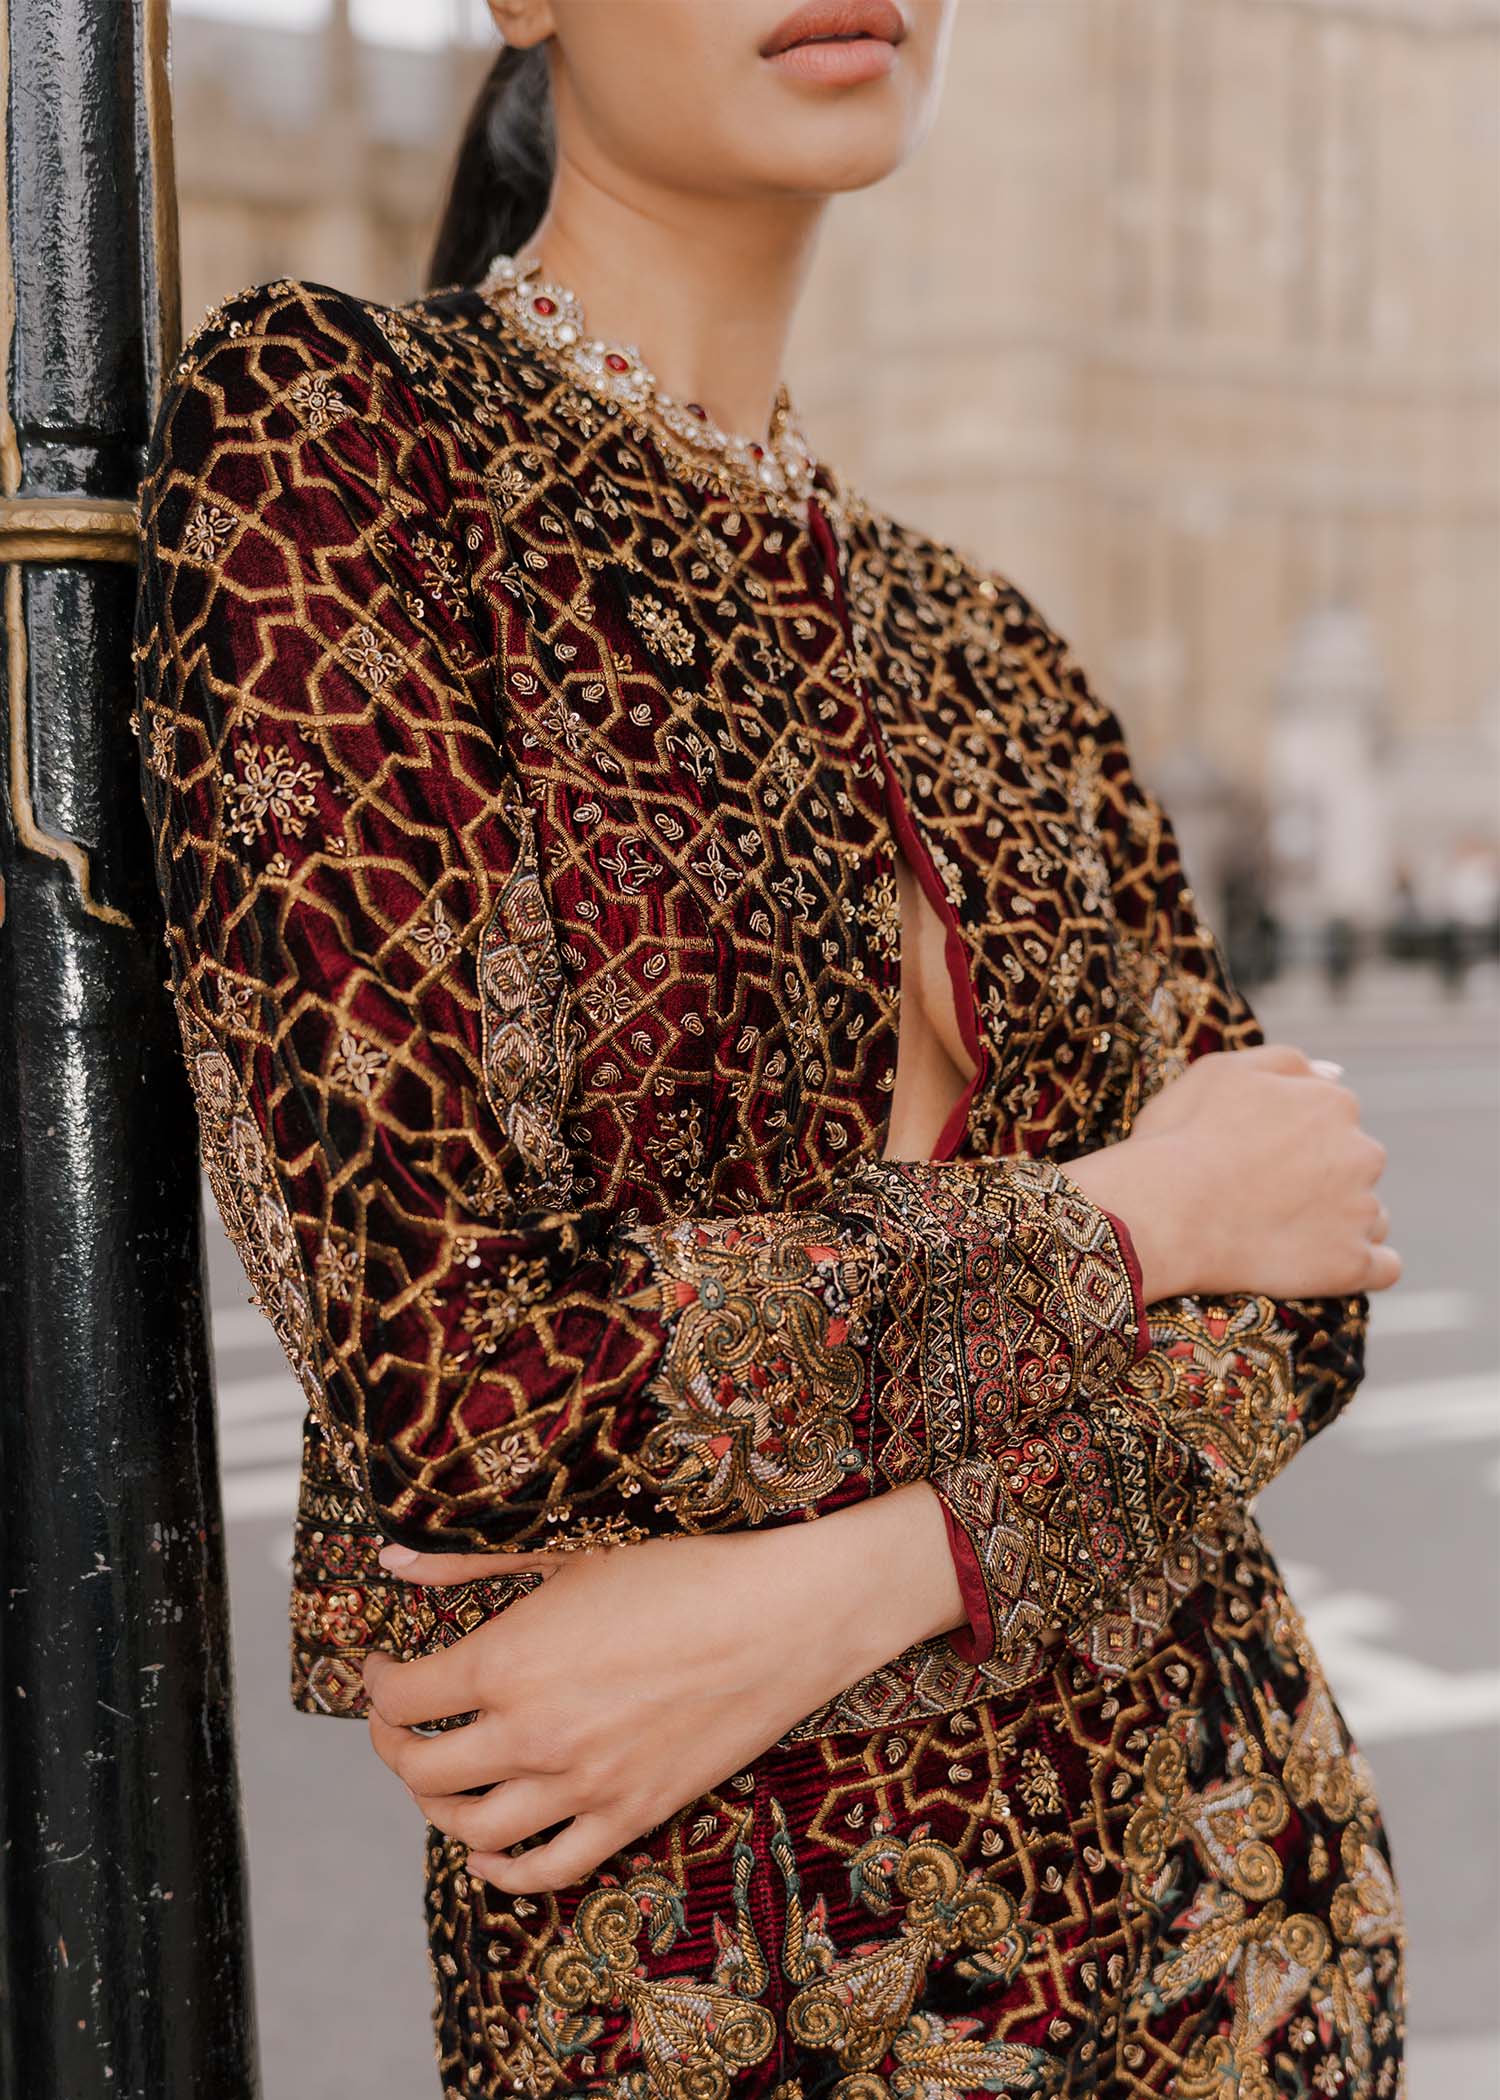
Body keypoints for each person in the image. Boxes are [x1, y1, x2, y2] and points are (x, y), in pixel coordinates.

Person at [131, 2, 1407, 2093]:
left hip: (1247, 1947)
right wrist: (1132, 1221)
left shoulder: (990, 645)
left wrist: (854, 1587)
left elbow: (1307, 1294)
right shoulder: (343, 442)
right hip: (735, 2000)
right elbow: (464, 1385)